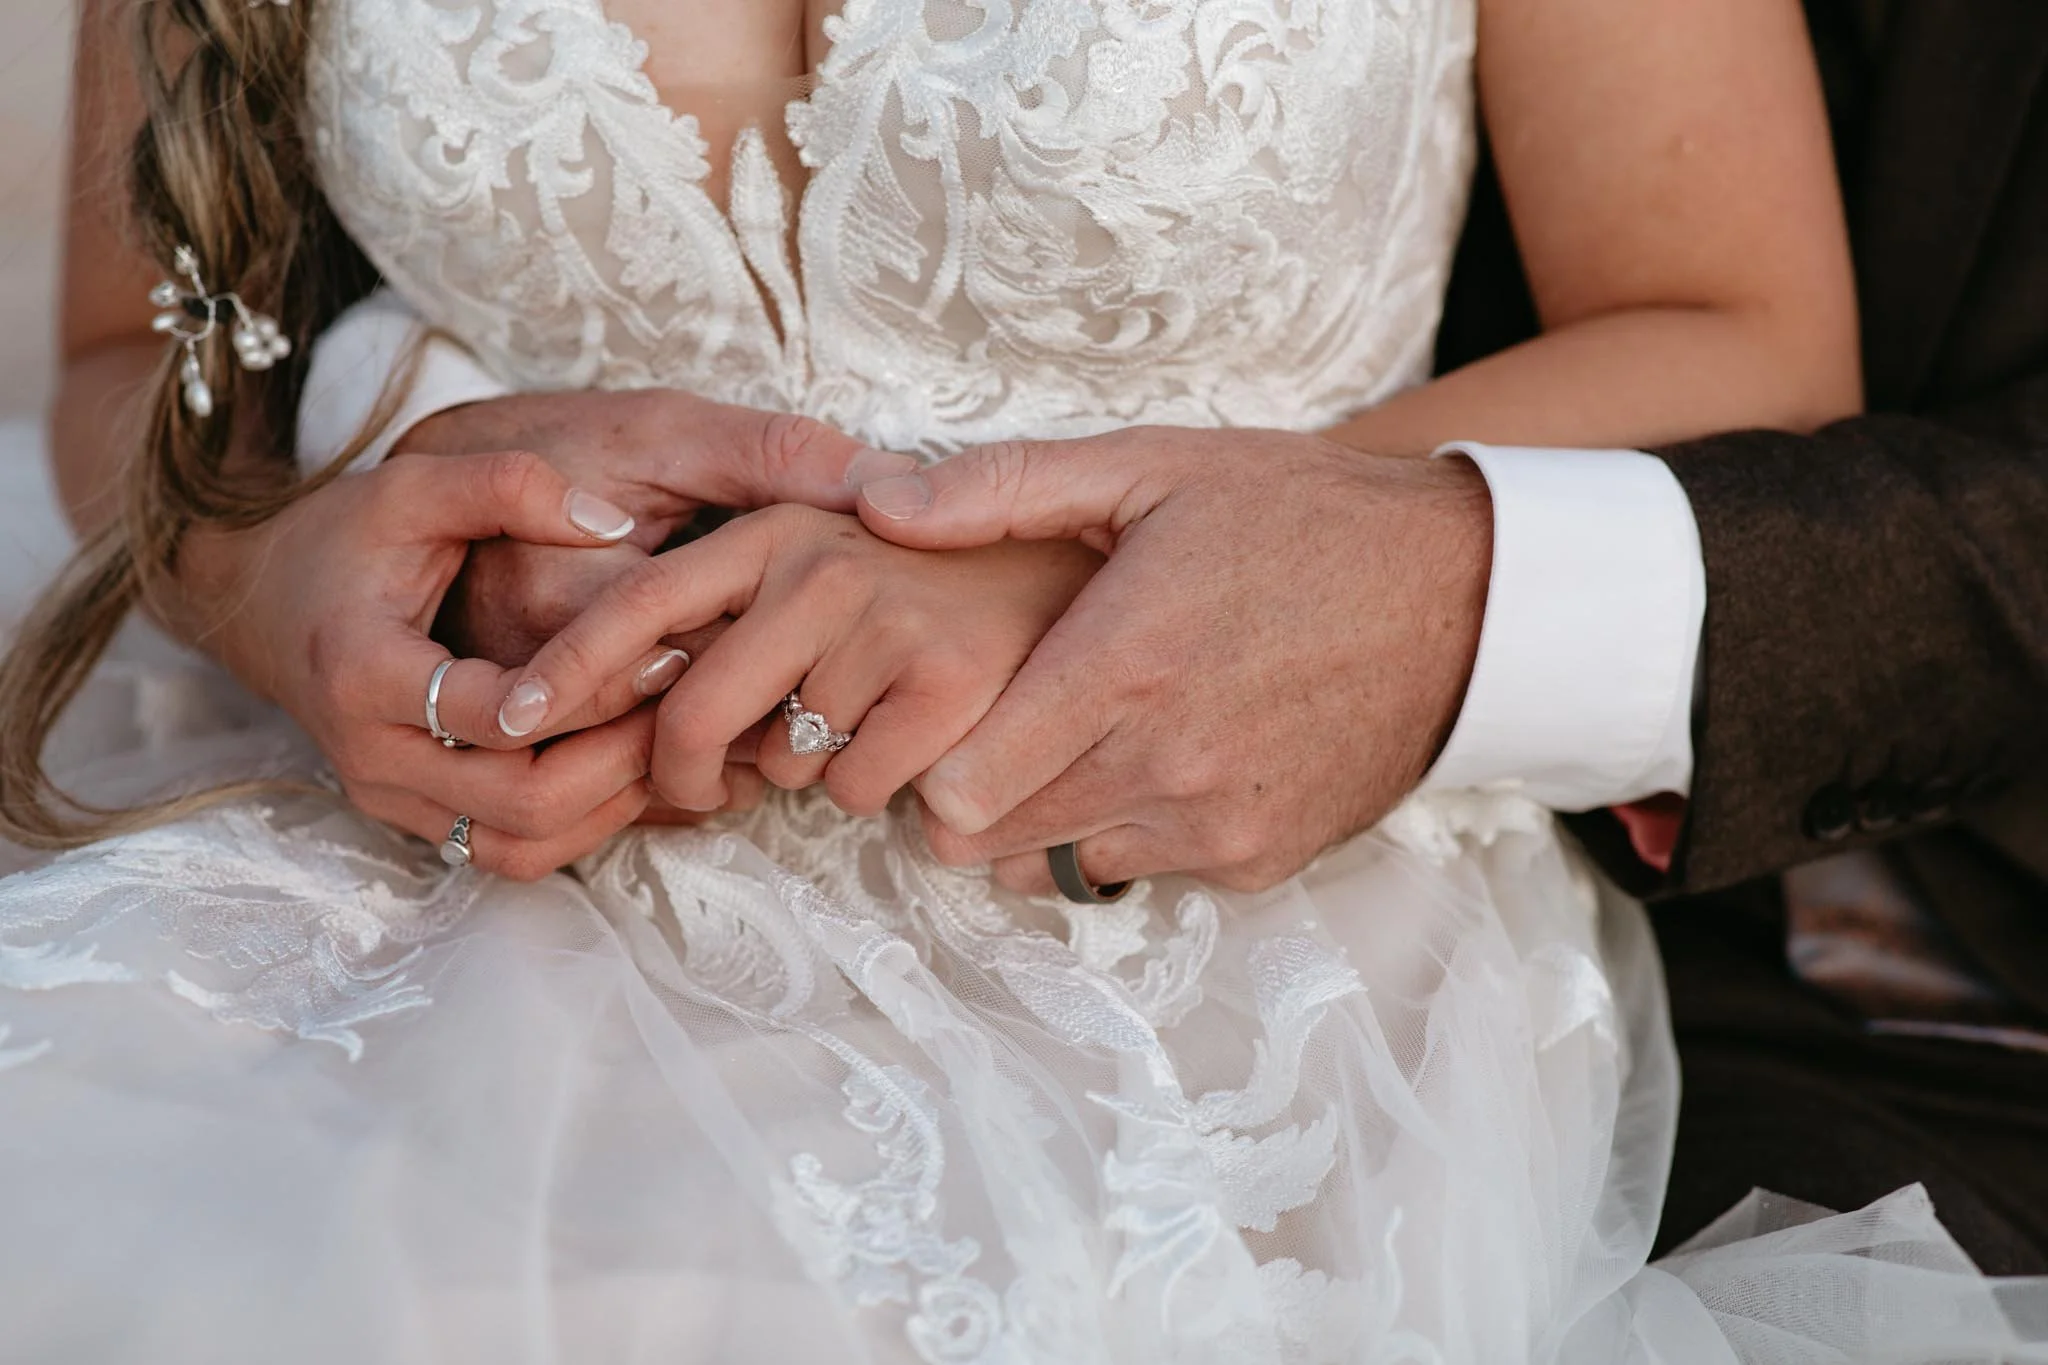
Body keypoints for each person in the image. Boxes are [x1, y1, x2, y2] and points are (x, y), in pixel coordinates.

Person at [0, 3, 2038, 1364]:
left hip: (1212, 939)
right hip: (421, 860)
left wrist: (1101, 583)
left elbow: (1739, 342)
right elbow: (129, 358)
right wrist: (275, 573)